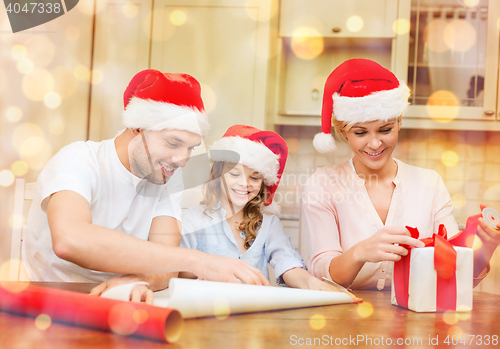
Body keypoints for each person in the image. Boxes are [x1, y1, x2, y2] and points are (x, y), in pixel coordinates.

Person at [22, 70, 269, 296]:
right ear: (137, 128)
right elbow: (70, 239)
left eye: (190, 148)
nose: (182, 160)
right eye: (173, 144)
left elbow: (166, 267)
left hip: (116, 302)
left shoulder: (166, 180)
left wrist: (138, 281)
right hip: (50, 302)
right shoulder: (79, 159)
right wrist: (198, 260)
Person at [302, 58, 500, 290]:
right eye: (360, 132)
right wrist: (360, 252)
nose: (374, 143)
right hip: (344, 317)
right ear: (344, 132)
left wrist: (483, 251)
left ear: (399, 123)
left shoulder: (430, 184)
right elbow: (322, 273)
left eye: (385, 130)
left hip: (416, 319)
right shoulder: (323, 184)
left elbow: (453, 274)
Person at [180, 125, 355, 296]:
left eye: (254, 177)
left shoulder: (269, 224)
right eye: (234, 174)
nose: (244, 183)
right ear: (218, 175)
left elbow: (287, 263)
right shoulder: (192, 219)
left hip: (254, 316)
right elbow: (178, 272)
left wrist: (313, 283)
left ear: (263, 182)